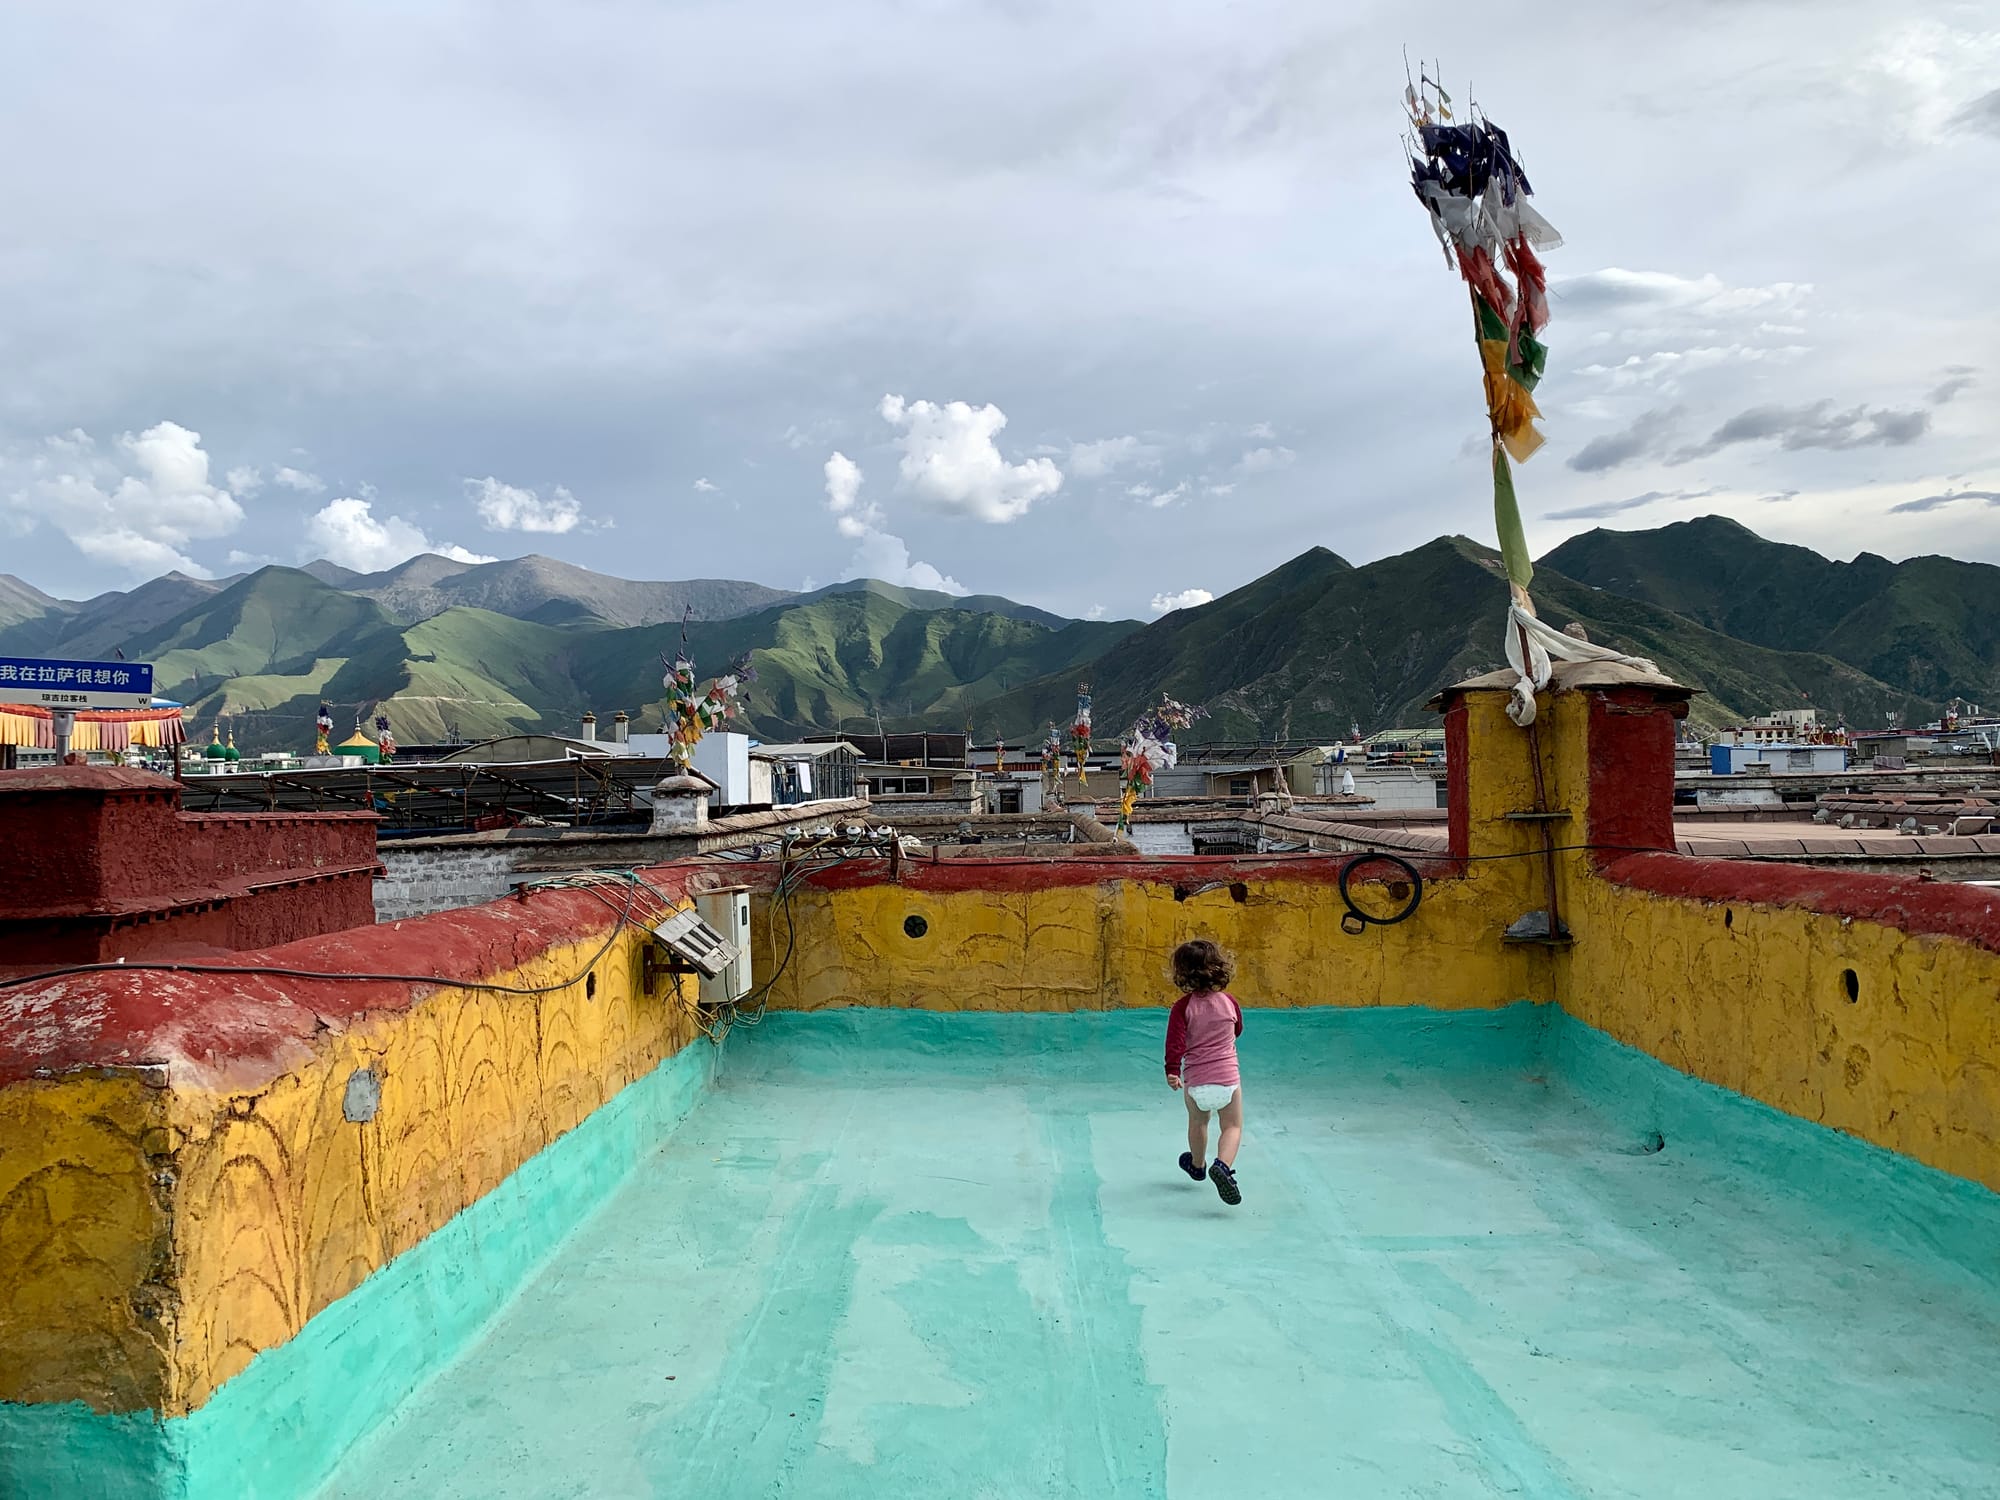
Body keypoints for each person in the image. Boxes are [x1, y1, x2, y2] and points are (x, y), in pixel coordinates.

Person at [1163, 938, 1244, 1206]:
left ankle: (1197, 1165)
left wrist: (1173, 1071)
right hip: (1227, 1080)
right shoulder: (1229, 1002)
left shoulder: (1182, 1008)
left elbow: (1175, 1043)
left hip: (1196, 1083)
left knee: (1198, 1122)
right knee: (1232, 1126)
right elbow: (1237, 1030)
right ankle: (1223, 1166)